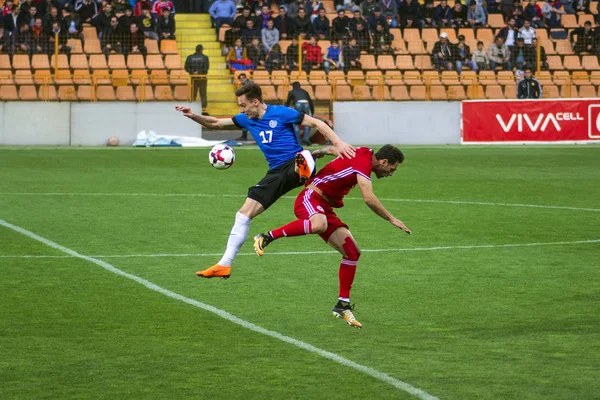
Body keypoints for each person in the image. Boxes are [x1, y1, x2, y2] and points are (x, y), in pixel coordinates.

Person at [175, 83, 355, 279]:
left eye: (243, 105)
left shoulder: (282, 113)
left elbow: (317, 123)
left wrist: (338, 143)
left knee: (303, 156)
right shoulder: (246, 119)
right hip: (276, 173)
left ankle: (306, 166)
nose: (241, 110)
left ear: (255, 102)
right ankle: (224, 264)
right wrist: (193, 116)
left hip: (294, 162)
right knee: (243, 214)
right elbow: (215, 123)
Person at [253, 145, 411, 329]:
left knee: (352, 252)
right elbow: (368, 197)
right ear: (384, 162)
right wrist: (392, 219)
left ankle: (342, 305)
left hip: (325, 207)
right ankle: (266, 236)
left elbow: (335, 149)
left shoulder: (360, 152)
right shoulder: (363, 160)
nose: (390, 174)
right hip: (311, 197)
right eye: (391, 169)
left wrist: (320, 151)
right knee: (319, 224)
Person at [184, 44, 209, 110]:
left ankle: (192, 108)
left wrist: (193, 72)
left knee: (193, 94)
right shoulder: (205, 57)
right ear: (201, 50)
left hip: (193, 78)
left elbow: (186, 67)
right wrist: (199, 73)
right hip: (202, 78)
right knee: (203, 95)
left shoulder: (190, 57)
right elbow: (206, 68)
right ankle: (203, 109)